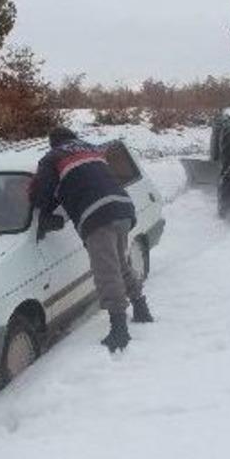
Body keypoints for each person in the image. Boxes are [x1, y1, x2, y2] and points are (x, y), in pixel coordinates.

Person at [31, 127, 153, 353]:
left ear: (52, 143)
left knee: (106, 270)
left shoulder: (52, 158)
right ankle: (140, 307)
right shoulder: (93, 150)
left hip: (98, 216)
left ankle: (119, 329)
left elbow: (42, 194)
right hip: (123, 208)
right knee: (119, 263)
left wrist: (44, 211)